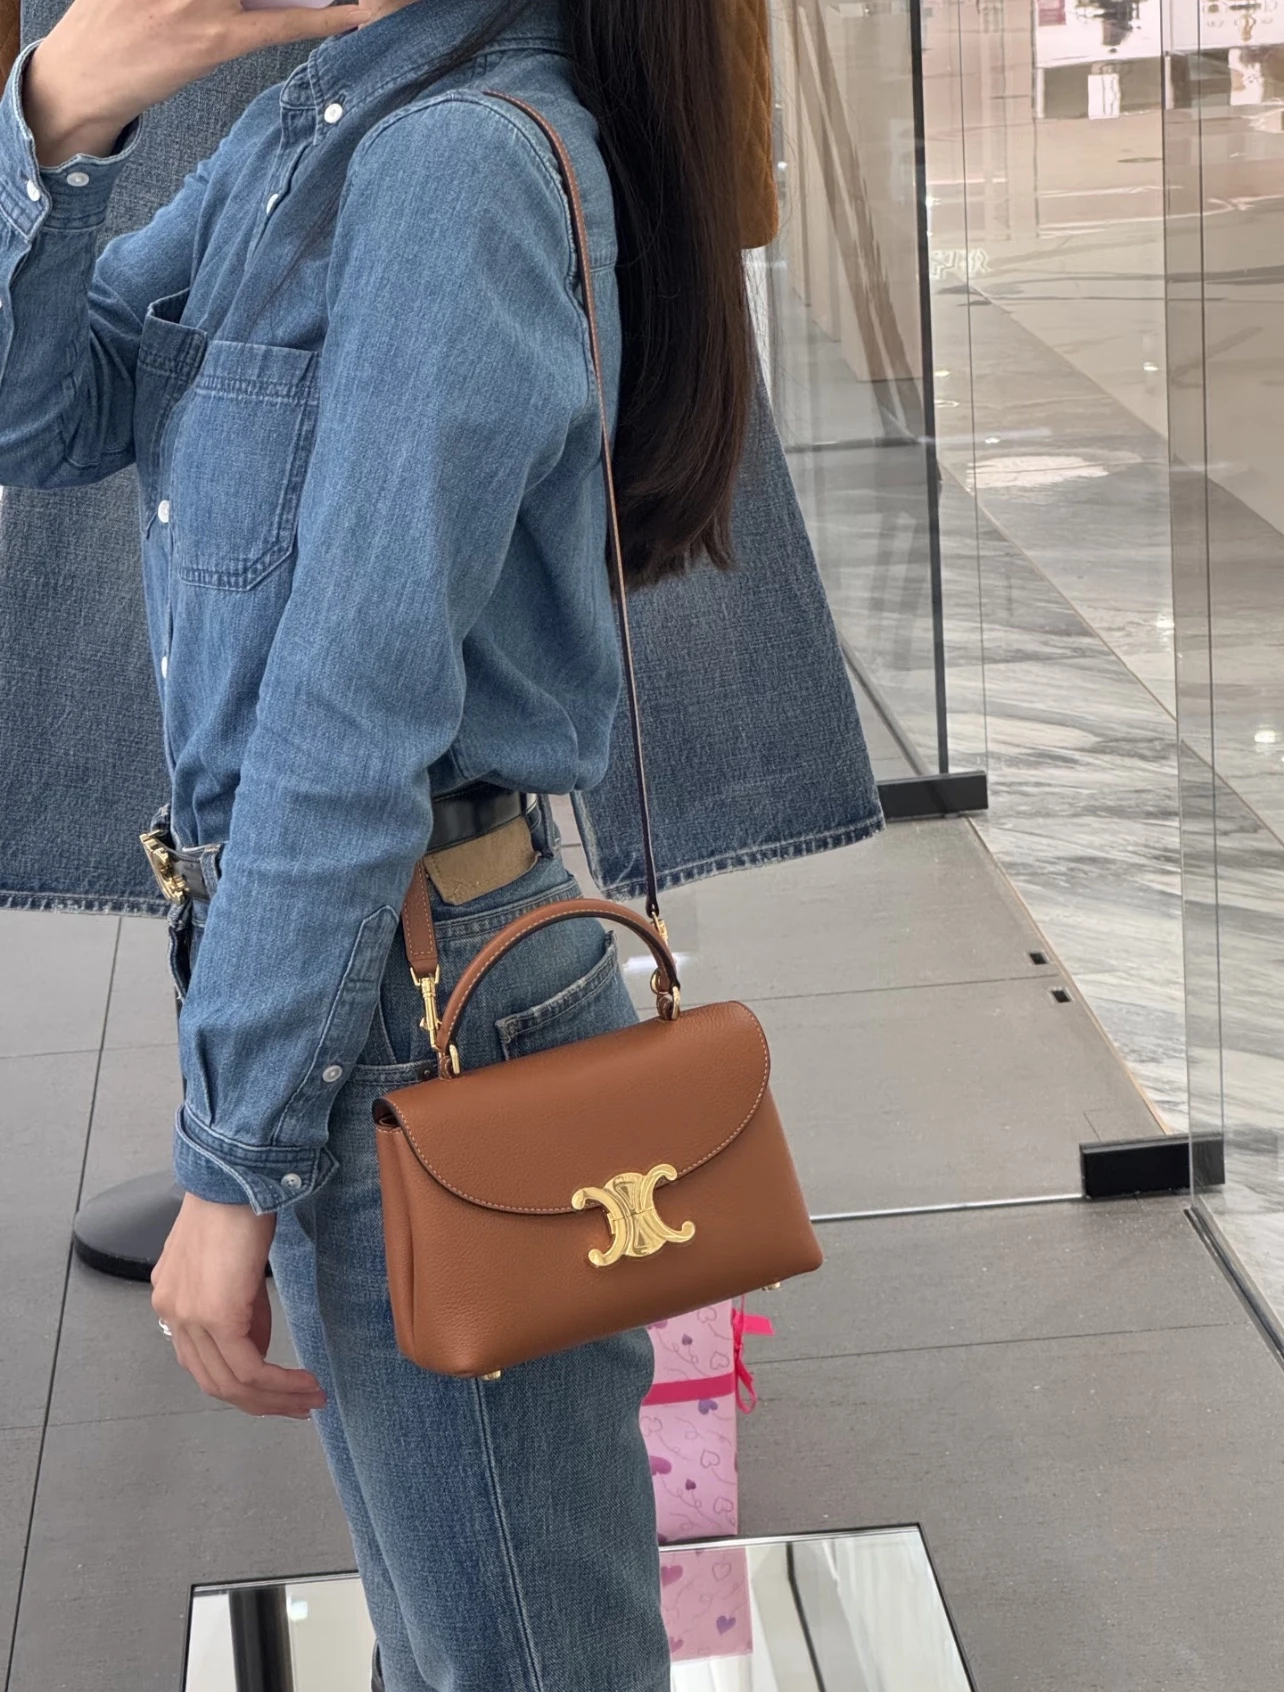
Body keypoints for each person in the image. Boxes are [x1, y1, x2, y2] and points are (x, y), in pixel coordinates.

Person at [0, 0, 826, 1685]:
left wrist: (230, 1160)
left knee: (514, 1656)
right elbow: (39, 413)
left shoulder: (453, 165)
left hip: (416, 996)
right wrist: (61, 111)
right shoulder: (312, 130)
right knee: (466, 1638)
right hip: (362, 978)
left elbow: (352, 713)